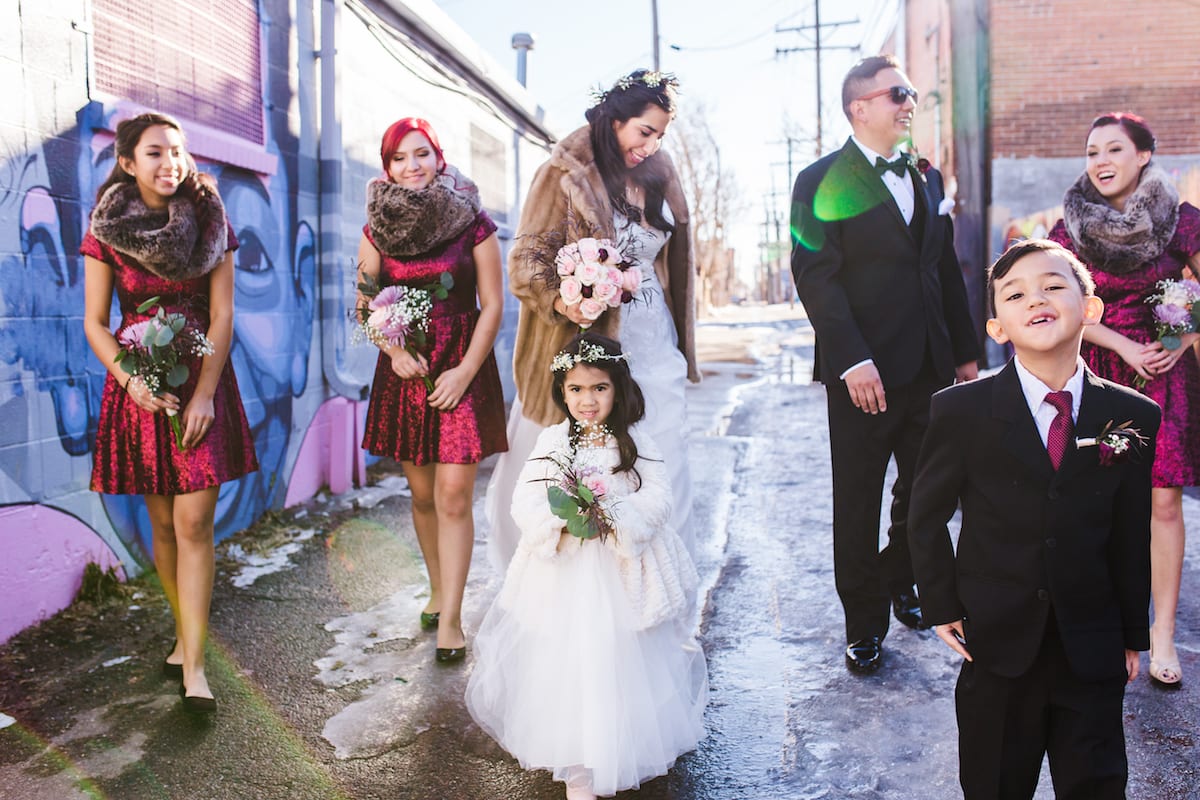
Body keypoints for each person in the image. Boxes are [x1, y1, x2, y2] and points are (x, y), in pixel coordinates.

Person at [908, 239, 1160, 798]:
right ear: (997, 327)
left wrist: (1131, 633)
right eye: (1015, 294)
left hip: (1090, 644)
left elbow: (1128, 531)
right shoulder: (960, 411)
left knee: (1095, 782)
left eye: (1052, 286)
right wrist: (942, 603)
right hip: (994, 640)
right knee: (995, 781)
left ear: (1089, 309)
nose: (1035, 299)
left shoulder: (1132, 414)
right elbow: (923, 517)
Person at [789, 54, 979, 672]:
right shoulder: (819, 180)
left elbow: (943, 268)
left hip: (930, 366)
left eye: (913, 94)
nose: (909, 104)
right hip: (862, 376)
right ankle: (863, 623)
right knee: (859, 499)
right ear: (859, 107)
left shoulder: (927, 177)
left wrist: (967, 355)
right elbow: (816, 277)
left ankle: (903, 578)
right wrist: (852, 361)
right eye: (898, 93)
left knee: (926, 495)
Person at [466, 332, 706, 800]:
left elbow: (658, 497)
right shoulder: (553, 440)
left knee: (620, 658)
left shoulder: (635, 440)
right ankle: (577, 761)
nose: (587, 400)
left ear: (618, 389)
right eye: (576, 389)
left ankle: (623, 743)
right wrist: (559, 524)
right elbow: (527, 497)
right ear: (562, 391)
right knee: (570, 660)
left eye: (599, 388)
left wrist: (615, 517)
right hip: (565, 571)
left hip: (621, 569)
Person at [486, 68, 699, 572]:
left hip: (655, 344)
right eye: (644, 131)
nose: (651, 145)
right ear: (613, 119)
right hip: (584, 351)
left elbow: (672, 264)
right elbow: (524, 263)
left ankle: (658, 591)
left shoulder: (661, 175)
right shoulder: (565, 173)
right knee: (574, 473)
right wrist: (569, 299)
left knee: (661, 465)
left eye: (660, 135)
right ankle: (573, 599)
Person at [82, 112, 259, 714]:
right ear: (128, 163)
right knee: (161, 526)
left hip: (200, 379)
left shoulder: (212, 220)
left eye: (177, 151)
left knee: (193, 524)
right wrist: (130, 380)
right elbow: (94, 322)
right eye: (155, 152)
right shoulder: (106, 227)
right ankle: (182, 637)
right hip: (141, 387)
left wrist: (207, 392)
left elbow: (224, 316)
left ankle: (197, 664)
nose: (170, 163)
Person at [1048, 112, 1200, 689]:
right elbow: (1062, 307)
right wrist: (1124, 346)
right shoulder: (1070, 230)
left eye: (1114, 149)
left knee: (1164, 504)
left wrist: (1176, 339)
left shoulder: (1182, 221)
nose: (1101, 162)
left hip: (1164, 375)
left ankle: (1162, 632)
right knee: (1103, 500)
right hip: (1104, 371)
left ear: (1143, 156)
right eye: (1091, 152)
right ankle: (1110, 622)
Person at [357, 117, 507, 664]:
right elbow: (365, 305)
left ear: (439, 159)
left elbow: (492, 303)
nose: (412, 166)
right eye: (399, 157)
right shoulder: (376, 227)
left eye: (421, 154)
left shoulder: (473, 221)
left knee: (451, 495)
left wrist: (466, 371)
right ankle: (438, 586)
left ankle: (453, 617)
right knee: (421, 495)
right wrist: (394, 351)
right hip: (407, 369)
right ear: (388, 166)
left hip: (460, 365)